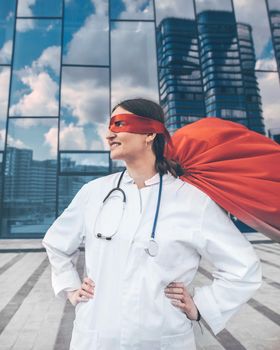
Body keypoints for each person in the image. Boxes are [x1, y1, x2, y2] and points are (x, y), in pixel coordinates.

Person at [42, 98, 262, 350]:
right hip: (95, 337)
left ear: (149, 133)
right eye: (109, 126)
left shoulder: (192, 200)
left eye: (119, 124)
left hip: (162, 339)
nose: (109, 134)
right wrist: (71, 288)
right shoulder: (94, 193)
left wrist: (201, 306)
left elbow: (243, 267)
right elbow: (56, 243)